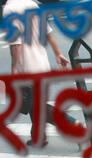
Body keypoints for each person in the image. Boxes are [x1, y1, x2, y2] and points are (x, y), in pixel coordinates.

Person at [3, 0, 80, 147]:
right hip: (42, 64)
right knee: (34, 102)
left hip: (28, 69)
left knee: (37, 106)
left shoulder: (9, 9)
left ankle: (73, 125)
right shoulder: (31, 4)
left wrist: (14, 69)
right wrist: (58, 54)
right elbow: (48, 33)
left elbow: (15, 44)